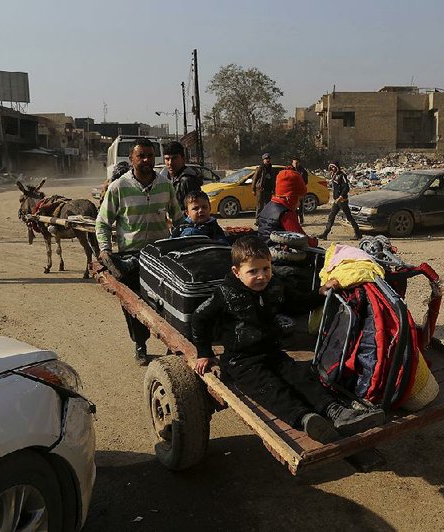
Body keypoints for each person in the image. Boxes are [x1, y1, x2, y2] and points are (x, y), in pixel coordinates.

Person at [190, 235, 385, 442]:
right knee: (271, 388)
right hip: (241, 361)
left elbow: (296, 303)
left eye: (266, 268)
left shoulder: (275, 286)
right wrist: (204, 353)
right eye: (253, 271)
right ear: (236, 273)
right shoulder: (225, 293)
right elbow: (200, 318)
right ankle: (306, 419)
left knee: (300, 377)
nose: (261, 276)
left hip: (272, 352)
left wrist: (319, 292)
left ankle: (336, 412)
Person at [96, 138, 181, 365]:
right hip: (130, 257)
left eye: (150, 156)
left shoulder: (166, 185)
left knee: (166, 304)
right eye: (141, 156)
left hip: (160, 256)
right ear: (131, 159)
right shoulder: (119, 187)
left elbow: (178, 218)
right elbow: (102, 223)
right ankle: (140, 345)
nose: (146, 160)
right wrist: (105, 250)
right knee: (134, 305)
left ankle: (171, 346)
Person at [256, 167, 318, 247]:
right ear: (290, 197)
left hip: (265, 249)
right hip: (277, 255)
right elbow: (300, 238)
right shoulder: (286, 213)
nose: (299, 204)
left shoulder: (269, 205)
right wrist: (314, 242)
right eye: (299, 199)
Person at [319, 161, 361, 240]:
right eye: (331, 167)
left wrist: (340, 197)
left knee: (349, 217)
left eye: (333, 167)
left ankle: (358, 234)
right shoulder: (333, 175)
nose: (332, 168)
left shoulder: (342, 175)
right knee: (331, 216)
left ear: (337, 167)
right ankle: (325, 234)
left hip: (342, 201)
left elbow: (346, 188)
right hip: (336, 201)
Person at [160, 141, 202, 212]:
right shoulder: (165, 177)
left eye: (174, 158)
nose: (170, 163)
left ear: (183, 159)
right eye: (167, 159)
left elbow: (194, 209)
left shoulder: (188, 180)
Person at [291, 157, 309, 223]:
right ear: (292, 163)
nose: (295, 164)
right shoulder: (290, 170)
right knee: (293, 206)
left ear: (299, 163)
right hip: (292, 191)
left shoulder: (303, 171)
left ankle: (301, 219)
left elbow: (306, 181)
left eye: (297, 163)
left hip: (300, 191)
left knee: (300, 205)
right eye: (294, 163)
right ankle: (294, 220)